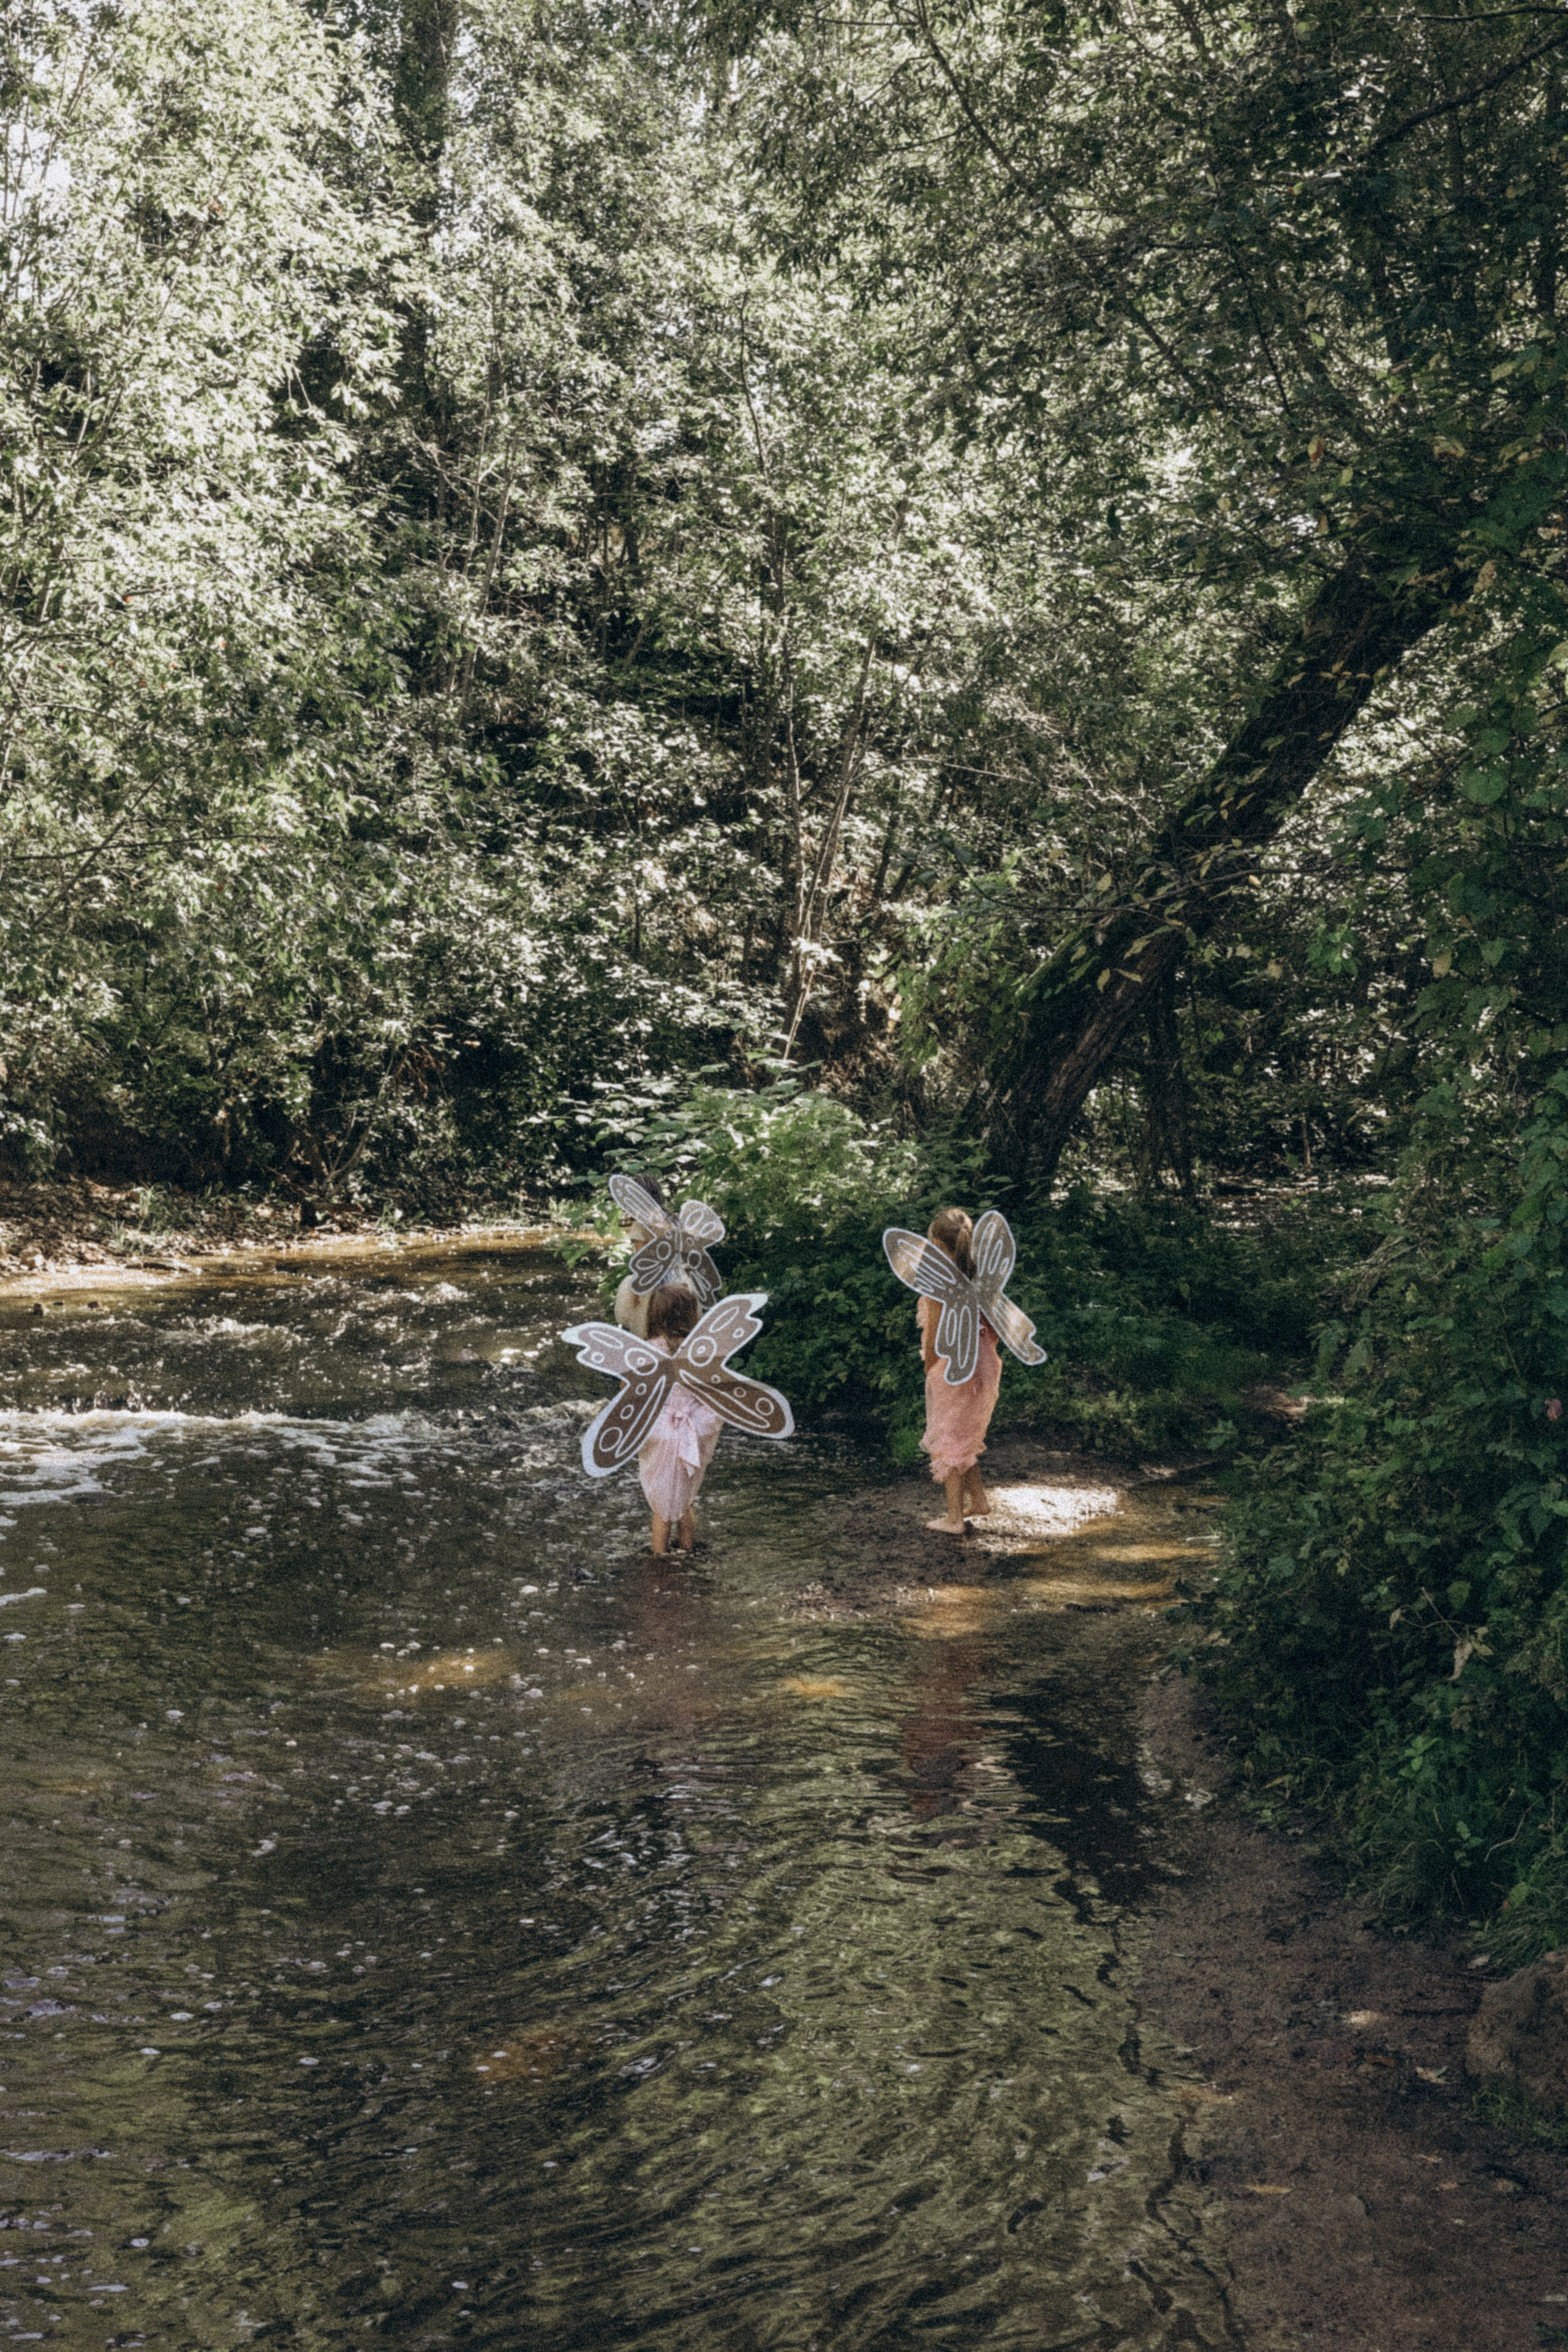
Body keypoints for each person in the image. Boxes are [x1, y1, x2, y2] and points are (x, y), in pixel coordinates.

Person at [916, 1207, 1000, 1536]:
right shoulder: (983, 1275)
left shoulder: (940, 1282)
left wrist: (931, 1365)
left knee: (948, 1435)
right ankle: (978, 1501)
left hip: (953, 1365)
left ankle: (954, 1519)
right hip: (984, 1361)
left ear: (937, 1243)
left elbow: (935, 1329)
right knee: (964, 1433)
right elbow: (995, 1326)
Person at [638, 1283, 723, 1555]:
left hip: (661, 1433)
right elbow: (714, 1391)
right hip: (694, 1429)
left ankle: (659, 1565)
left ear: (655, 1314)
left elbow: (633, 1393)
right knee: (684, 1500)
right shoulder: (701, 1351)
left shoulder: (650, 1350)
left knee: (663, 1508)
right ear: (690, 1315)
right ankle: (687, 1553)